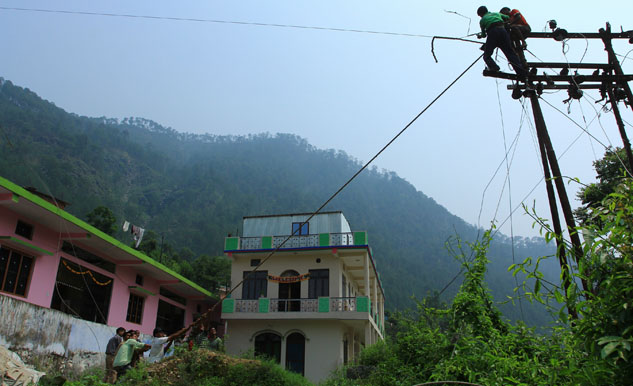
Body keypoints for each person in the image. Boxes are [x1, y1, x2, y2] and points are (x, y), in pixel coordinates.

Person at [476, 5, 527, 78]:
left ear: (481, 14)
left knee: (487, 56)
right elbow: (508, 18)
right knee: (510, 53)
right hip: (503, 32)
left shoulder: (482, 20)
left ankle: (494, 67)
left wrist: (480, 36)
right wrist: (504, 23)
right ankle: (522, 72)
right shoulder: (497, 14)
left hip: (493, 33)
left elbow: (484, 34)